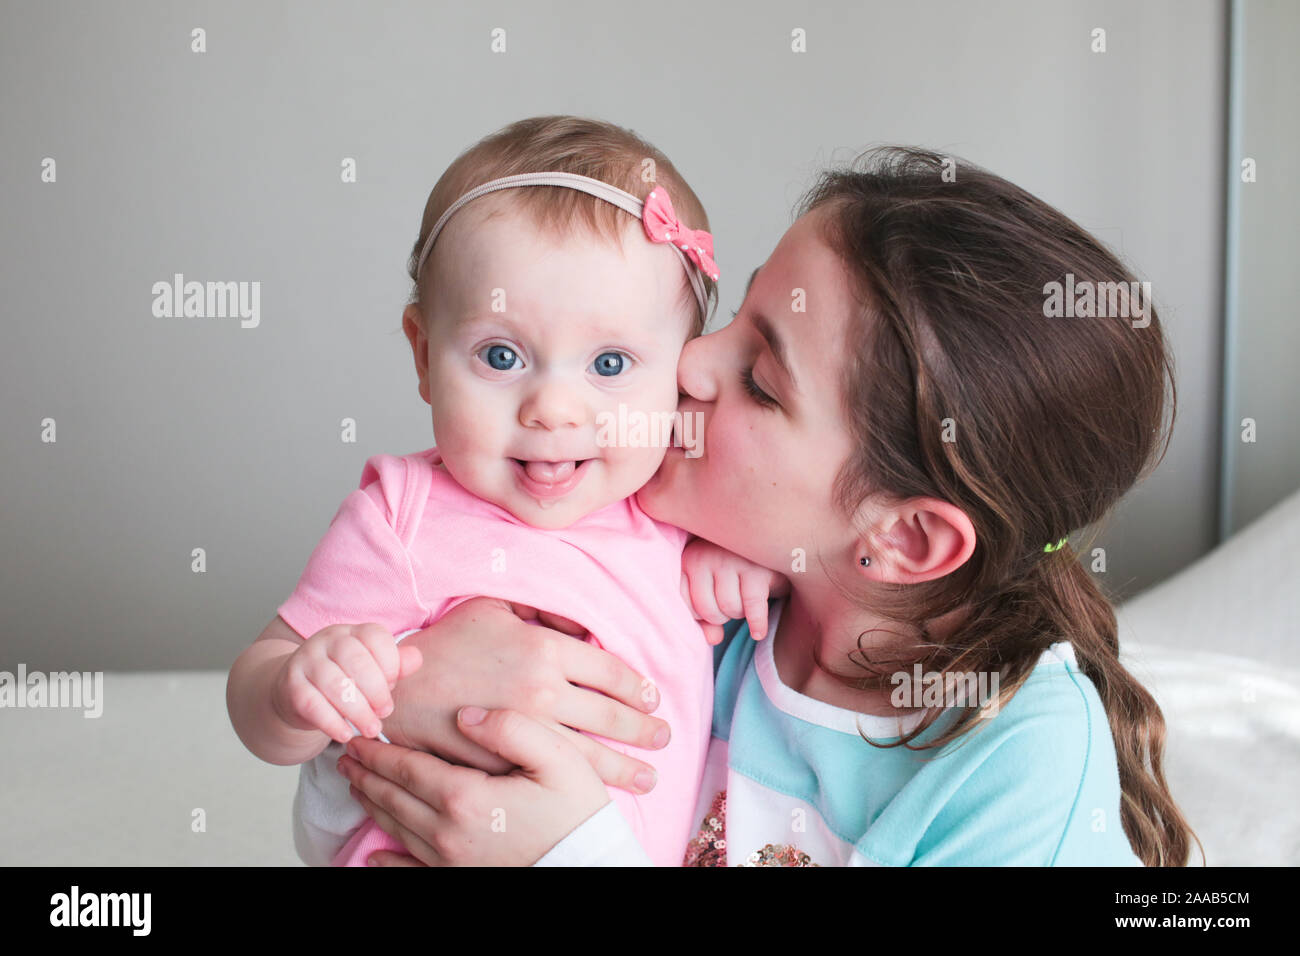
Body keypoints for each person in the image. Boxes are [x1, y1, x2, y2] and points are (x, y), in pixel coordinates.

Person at [336, 146, 1203, 866]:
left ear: (903, 536)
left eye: (759, 382)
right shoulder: (689, 588)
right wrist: (407, 683)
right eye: (738, 314)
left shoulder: (1021, 770)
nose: (690, 365)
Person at [226, 115, 770, 866]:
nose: (552, 409)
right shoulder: (403, 516)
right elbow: (258, 691)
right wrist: (299, 687)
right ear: (424, 356)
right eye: (502, 354)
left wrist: (748, 569)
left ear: (681, 375)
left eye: (609, 366)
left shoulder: (674, 508)